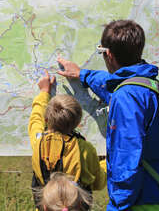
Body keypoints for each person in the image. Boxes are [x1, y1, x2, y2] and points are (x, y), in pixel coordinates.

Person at [57, 20, 159, 210]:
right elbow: (112, 84)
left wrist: (116, 207)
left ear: (109, 55)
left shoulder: (126, 97)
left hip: (141, 203)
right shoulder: (149, 85)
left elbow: (127, 159)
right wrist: (83, 74)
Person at [29, 70, 106, 210]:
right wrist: (107, 163)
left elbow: (36, 119)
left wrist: (44, 92)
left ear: (47, 120)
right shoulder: (85, 148)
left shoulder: (38, 141)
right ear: (77, 123)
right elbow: (98, 182)